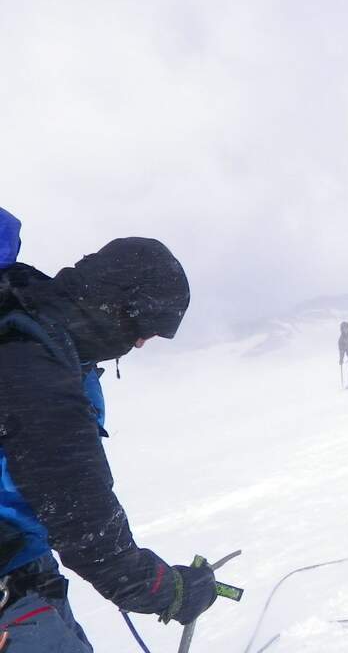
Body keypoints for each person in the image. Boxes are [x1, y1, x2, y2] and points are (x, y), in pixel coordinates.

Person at [0, 238, 218, 648]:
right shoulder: (31, 361)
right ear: (116, 305)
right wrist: (168, 590)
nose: (138, 345)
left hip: (22, 565)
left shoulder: (33, 327)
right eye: (144, 329)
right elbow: (80, 515)